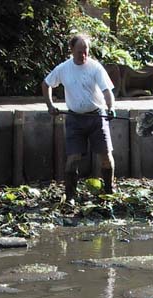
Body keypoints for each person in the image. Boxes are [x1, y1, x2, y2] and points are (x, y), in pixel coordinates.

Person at [42, 33, 117, 199]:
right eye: (79, 51)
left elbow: (107, 91)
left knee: (105, 155)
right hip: (75, 119)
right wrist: (50, 105)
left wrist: (110, 107)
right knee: (73, 158)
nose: (83, 55)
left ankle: (109, 190)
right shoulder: (63, 69)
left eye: (86, 51)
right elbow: (46, 84)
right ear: (71, 50)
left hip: (97, 117)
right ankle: (70, 195)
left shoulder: (95, 67)